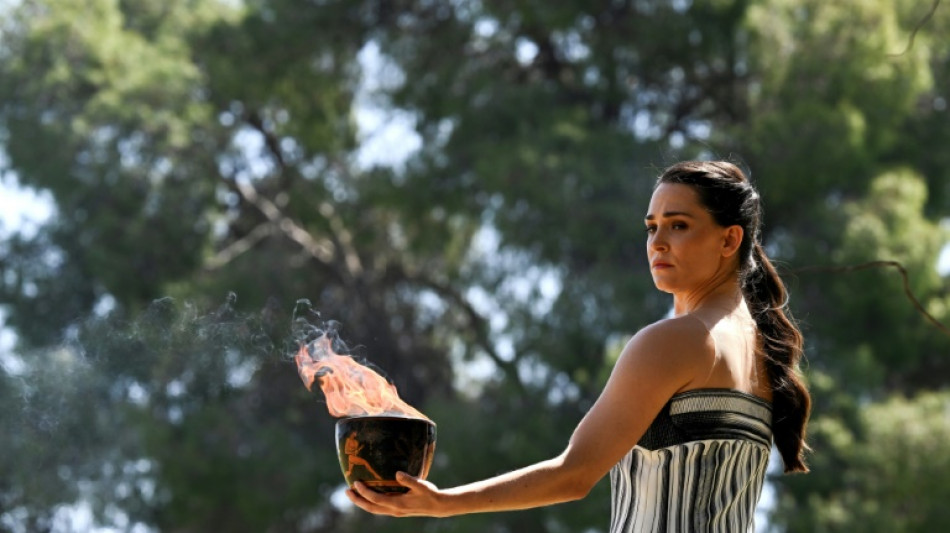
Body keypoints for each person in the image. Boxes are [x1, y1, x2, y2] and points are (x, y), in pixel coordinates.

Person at [346, 161, 811, 532]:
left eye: (679, 225)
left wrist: (443, 503)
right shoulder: (763, 352)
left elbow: (574, 474)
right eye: (651, 227)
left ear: (730, 239)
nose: (658, 242)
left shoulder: (672, 343)